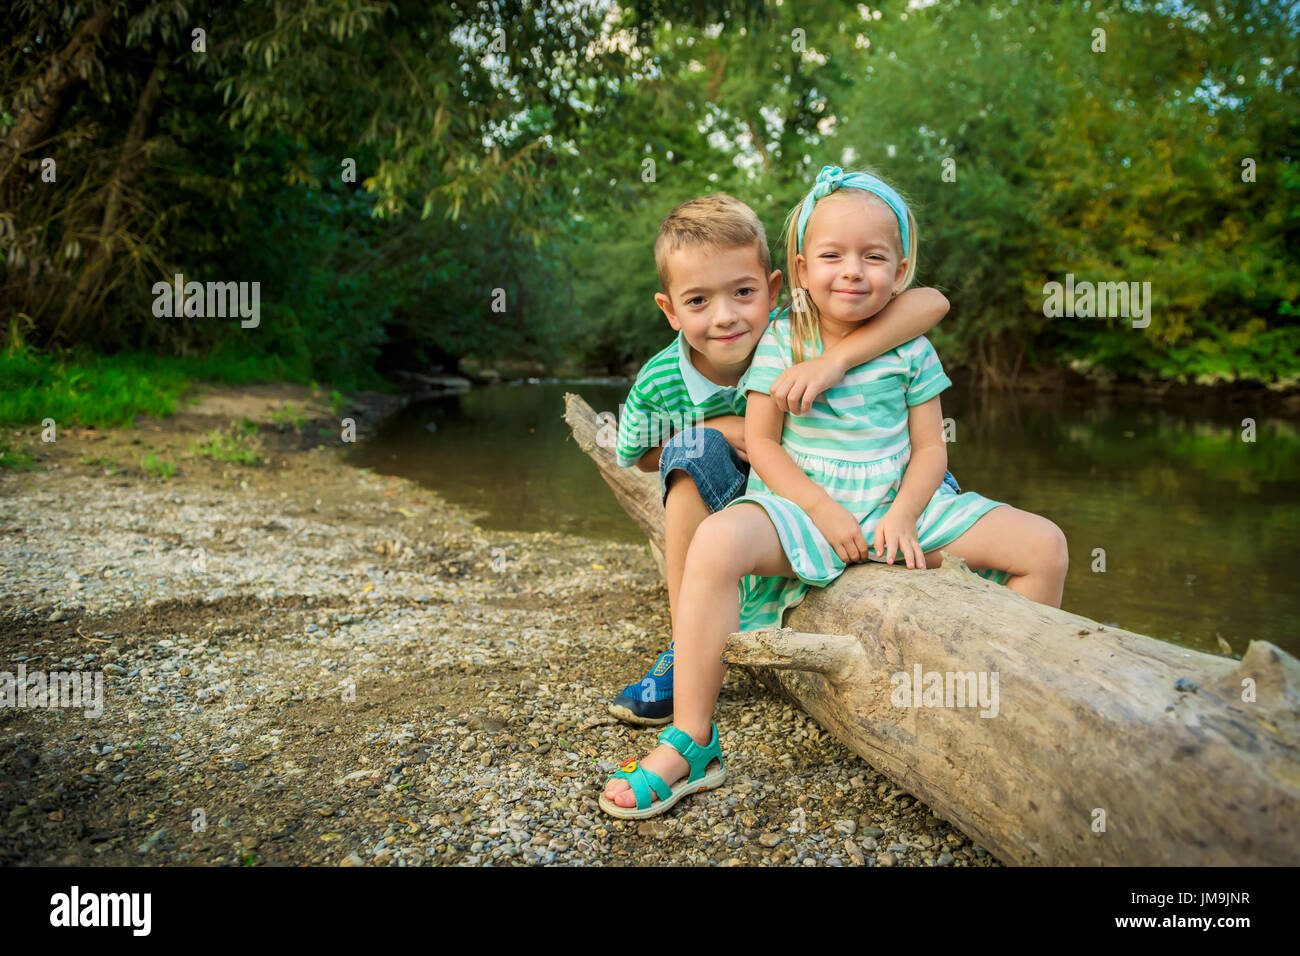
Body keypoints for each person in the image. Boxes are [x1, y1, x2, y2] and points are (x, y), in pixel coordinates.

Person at [600, 166, 1069, 818]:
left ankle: (1004, 713)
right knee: (715, 542)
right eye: (832, 256)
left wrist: (905, 515)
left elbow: (932, 449)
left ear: (899, 271)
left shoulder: (908, 347)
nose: (852, 271)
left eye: (873, 257)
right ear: (798, 269)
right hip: (802, 506)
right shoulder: (786, 337)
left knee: (1044, 545)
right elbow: (762, 445)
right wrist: (820, 509)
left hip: (902, 506)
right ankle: (692, 739)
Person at [609, 192, 959, 726]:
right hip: (744, 494)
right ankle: (685, 646)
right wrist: (719, 427)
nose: (726, 317)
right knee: (689, 451)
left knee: (916, 468)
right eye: (698, 301)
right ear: (670, 310)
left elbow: (931, 302)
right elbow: (638, 457)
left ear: (774, 289)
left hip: (841, 476)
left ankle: (931, 566)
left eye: (743, 292)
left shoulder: (795, 325)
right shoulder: (662, 379)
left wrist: (837, 360)